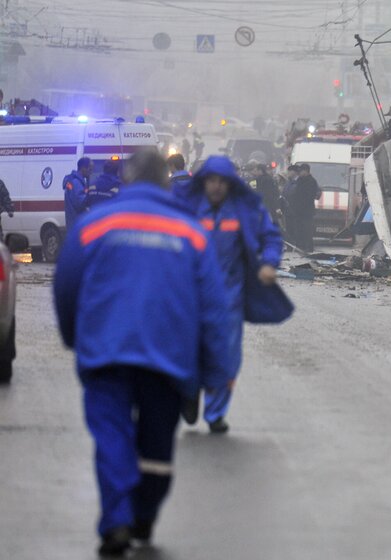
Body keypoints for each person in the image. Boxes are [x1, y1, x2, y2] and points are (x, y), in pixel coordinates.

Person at [53, 149, 233, 557]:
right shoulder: (191, 233)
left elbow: (66, 285)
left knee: (112, 436)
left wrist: (73, 336)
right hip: (167, 358)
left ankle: (116, 520)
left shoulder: (94, 225)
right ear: (166, 182)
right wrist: (214, 370)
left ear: (127, 181)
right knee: (155, 445)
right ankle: (144, 514)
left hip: (105, 354)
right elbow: (213, 308)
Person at [174, 155, 291, 433]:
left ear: (230, 184)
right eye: (211, 181)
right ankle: (190, 391)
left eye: (221, 182)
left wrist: (268, 263)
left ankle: (215, 414)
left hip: (229, 298)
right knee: (190, 351)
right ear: (203, 182)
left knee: (226, 358)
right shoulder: (187, 208)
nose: (216, 187)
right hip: (192, 296)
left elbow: (271, 237)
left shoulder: (246, 210)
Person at [289, 163, 319, 253]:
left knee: (307, 230)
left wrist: (301, 205)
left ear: (306, 171)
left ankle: (308, 247)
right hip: (298, 210)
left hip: (307, 210)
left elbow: (309, 196)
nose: (299, 173)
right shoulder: (300, 180)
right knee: (299, 229)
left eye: (301, 171)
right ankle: (300, 246)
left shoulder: (311, 181)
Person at [63, 157, 93, 230]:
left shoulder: (74, 181)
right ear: (83, 168)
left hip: (74, 224)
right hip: (78, 225)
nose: (91, 172)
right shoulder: (76, 183)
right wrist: (92, 195)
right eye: (90, 169)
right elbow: (81, 203)